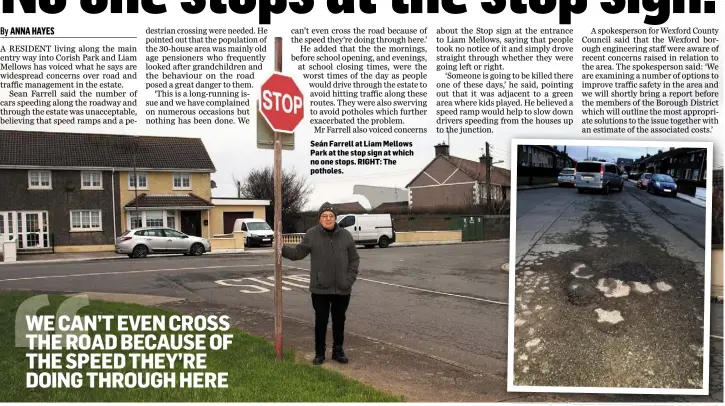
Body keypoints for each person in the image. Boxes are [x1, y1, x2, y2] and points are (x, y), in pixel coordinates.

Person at [282, 202, 360, 365]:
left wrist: (349, 280)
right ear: (319, 218)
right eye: (324, 216)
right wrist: (281, 248)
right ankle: (320, 353)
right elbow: (297, 253)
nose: (328, 218)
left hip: (342, 289)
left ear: (335, 218)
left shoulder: (345, 235)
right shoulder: (312, 234)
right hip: (320, 289)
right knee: (321, 321)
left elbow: (354, 259)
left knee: (339, 321)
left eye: (331, 216)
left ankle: (338, 351)